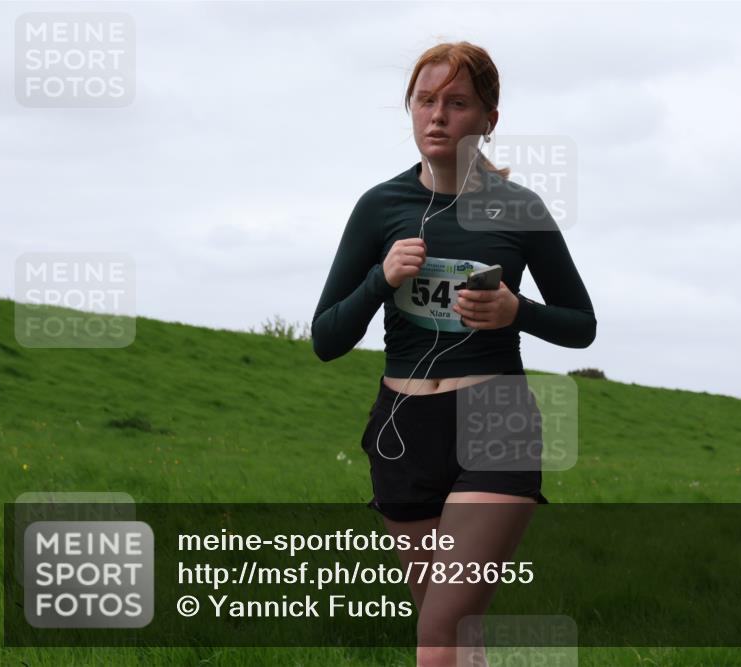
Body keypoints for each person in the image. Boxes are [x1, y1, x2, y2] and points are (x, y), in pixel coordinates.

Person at [311, 41, 596, 667]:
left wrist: (518, 311)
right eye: (425, 100)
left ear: (489, 119)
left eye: (457, 102)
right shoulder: (379, 207)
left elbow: (582, 326)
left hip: (495, 421)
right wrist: (380, 279)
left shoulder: (519, 209)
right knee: (456, 636)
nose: (437, 115)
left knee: (440, 633)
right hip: (402, 431)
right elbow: (326, 339)